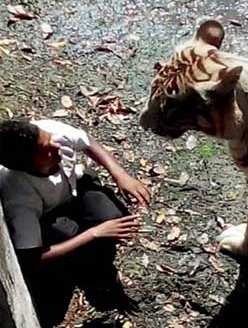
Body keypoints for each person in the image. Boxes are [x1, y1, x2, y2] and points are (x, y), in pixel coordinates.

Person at [0, 118, 150, 327]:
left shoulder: (50, 133)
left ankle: (99, 264)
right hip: (49, 216)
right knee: (69, 234)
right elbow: (31, 257)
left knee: (112, 217)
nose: (56, 145)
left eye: (49, 139)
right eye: (47, 151)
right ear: (29, 165)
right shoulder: (19, 196)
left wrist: (120, 174)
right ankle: (84, 271)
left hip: (74, 188)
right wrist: (94, 233)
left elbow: (87, 141)